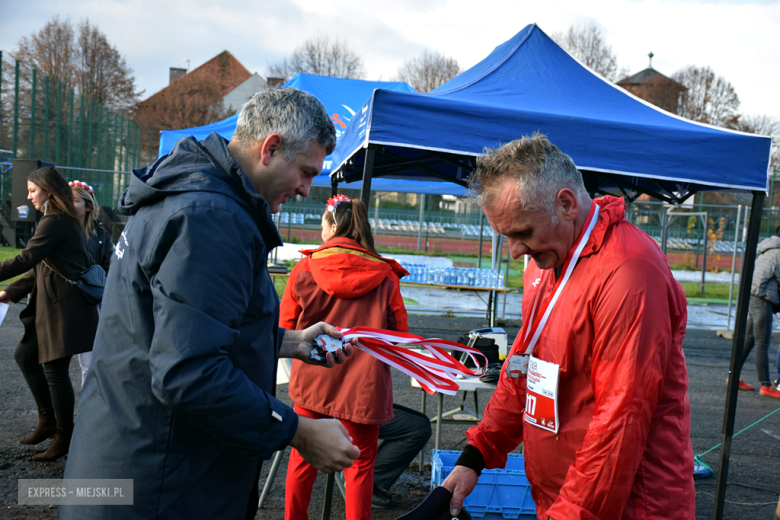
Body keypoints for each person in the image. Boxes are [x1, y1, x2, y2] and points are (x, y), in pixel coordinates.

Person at [62, 88, 360, 520]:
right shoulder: (211, 218)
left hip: (128, 461)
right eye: (305, 172)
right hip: (160, 484)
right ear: (270, 148)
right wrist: (298, 431)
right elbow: (189, 372)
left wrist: (289, 342)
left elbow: (171, 329)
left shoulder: (185, 194)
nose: (305, 189)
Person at [441, 134, 694, 519]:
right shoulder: (547, 264)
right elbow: (522, 370)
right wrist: (475, 455)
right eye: (506, 236)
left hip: (627, 507)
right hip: (564, 498)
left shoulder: (628, 273)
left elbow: (620, 420)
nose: (515, 250)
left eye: (523, 232)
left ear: (566, 204)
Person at [280, 195, 408, 520]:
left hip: (313, 381)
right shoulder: (386, 276)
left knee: (302, 459)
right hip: (363, 389)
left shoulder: (304, 268)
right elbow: (400, 338)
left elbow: (284, 329)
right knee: (361, 465)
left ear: (332, 225)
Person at [0, 167, 99, 462]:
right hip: (54, 306)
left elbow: (27, 258)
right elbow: (40, 266)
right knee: (25, 356)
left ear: (47, 189)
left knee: (55, 371)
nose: (28, 196)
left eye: (32, 190)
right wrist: (11, 291)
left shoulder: (55, 220)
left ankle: (63, 437)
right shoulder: (56, 219)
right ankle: (48, 422)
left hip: (64, 309)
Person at [69, 179, 114, 387]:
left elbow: (109, 267)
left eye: (75, 200)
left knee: (90, 361)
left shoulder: (100, 235)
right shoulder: (57, 230)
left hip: (91, 301)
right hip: (64, 301)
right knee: (54, 364)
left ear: (88, 205)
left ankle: (88, 410)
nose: (69, 204)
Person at [737, 225, 780, 398]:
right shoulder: (778, 253)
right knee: (763, 342)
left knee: (749, 339)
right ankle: (766, 385)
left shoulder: (768, 249)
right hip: (762, 298)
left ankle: (733, 377)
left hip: (754, 295)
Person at [372, 404, 432, 509]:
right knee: (419, 428)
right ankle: (367, 483)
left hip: (353, 404)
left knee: (421, 420)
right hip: (351, 409)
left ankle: (371, 480)